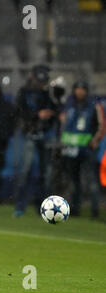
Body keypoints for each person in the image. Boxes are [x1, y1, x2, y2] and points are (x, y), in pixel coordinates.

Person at [13, 65, 58, 217]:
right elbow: (19, 112)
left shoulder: (50, 93)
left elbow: (58, 109)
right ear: (33, 78)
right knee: (25, 171)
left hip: (46, 134)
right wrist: (37, 115)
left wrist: (52, 113)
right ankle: (20, 206)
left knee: (46, 173)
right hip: (29, 133)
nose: (41, 84)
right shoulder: (24, 92)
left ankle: (43, 207)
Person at [60, 80, 105, 219]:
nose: (79, 92)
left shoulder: (93, 106)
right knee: (74, 180)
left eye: (82, 89)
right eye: (77, 89)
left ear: (86, 91)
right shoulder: (70, 106)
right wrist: (64, 141)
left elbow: (102, 126)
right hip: (72, 149)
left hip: (87, 149)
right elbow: (65, 126)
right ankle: (75, 208)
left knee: (92, 180)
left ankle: (95, 210)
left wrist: (94, 140)